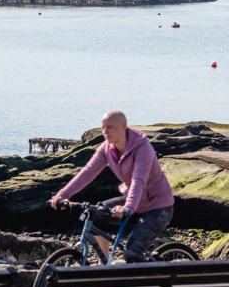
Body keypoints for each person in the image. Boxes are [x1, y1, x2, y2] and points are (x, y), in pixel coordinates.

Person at [49, 111, 175, 263]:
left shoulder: (143, 148)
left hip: (158, 206)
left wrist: (127, 208)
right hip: (134, 201)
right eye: (103, 127)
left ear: (123, 127)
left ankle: (148, 284)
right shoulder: (107, 148)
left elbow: (138, 180)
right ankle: (106, 264)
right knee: (95, 214)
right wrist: (64, 194)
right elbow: (88, 172)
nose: (105, 132)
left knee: (131, 253)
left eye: (110, 127)